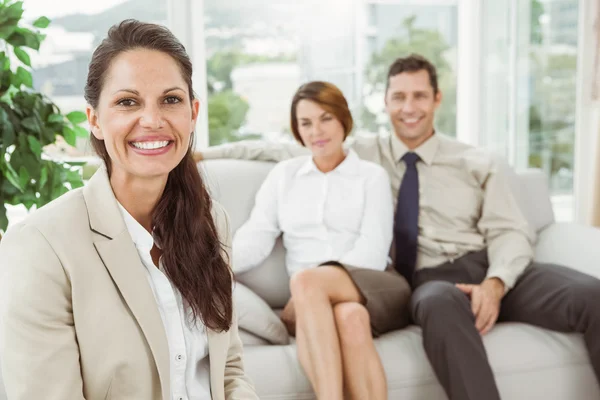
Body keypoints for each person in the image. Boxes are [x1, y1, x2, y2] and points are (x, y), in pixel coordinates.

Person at [196, 54, 600, 400]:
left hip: (496, 268)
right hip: (432, 278)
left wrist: (497, 282)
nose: (409, 107)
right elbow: (284, 147)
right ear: (385, 103)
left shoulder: (476, 161)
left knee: (593, 295)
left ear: (437, 99)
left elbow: (510, 231)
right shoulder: (362, 154)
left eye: (420, 95)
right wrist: (200, 153)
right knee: (434, 305)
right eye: (399, 97)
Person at [0, 20, 258, 400]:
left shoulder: (212, 220)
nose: (152, 120)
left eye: (171, 99)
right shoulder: (40, 246)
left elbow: (228, 368)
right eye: (127, 102)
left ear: (193, 113)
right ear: (95, 120)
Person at [232, 81, 411, 400]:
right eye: (306, 123)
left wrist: (312, 287)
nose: (317, 130)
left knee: (306, 282)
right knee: (349, 317)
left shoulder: (371, 176)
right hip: (315, 303)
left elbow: (370, 254)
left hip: (377, 286)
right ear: (297, 130)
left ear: (343, 119)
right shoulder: (284, 176)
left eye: (326, 118)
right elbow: (255, 238)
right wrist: (207, 266)